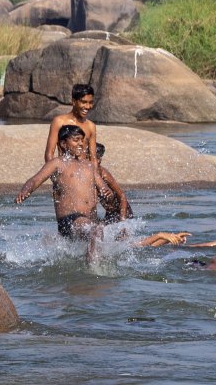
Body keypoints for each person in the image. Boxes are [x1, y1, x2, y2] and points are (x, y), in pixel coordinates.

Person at [16, 124, 107, 263]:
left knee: (99, 233)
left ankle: (87, 264)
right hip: (70, 219)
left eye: (82, 140)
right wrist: (25, 190)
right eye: (76, 140)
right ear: (64, 144)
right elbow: (35, 180)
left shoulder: (89, 165)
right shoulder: (58, 163)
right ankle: (95, 271)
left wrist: (108, 193)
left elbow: (103, 187)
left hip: (88, 219)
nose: (81, 143)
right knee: (97, 232)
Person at [45, 84, 98, 170]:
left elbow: (93, 158)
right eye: (84, 102)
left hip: (83, 175)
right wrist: (57, 176)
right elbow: (49, 154)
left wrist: (94, 177)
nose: (88, 107)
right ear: (74, 101)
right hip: (64, 172)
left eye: (90, 102)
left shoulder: (91, 126)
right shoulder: (59, 122)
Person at [94, 143, 132, 224]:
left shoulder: (104, 174)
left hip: (124, 212)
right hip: (109, 213)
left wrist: (123, 223)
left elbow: (122, 197)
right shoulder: (87, 174)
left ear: (99, 160)